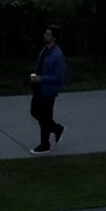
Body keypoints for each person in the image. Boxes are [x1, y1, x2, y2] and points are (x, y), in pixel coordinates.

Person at [29, 23, 67, 155]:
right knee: (34, 112)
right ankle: (57, 129)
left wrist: (42, 79)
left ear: (54, 38)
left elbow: (60, 77)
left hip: (48, 91)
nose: (45, 35)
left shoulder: (57, 55)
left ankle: (45, 145)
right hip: (38, 89)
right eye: (45, 33)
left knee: (44, 118)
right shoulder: (44, 50)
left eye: (48, 34)